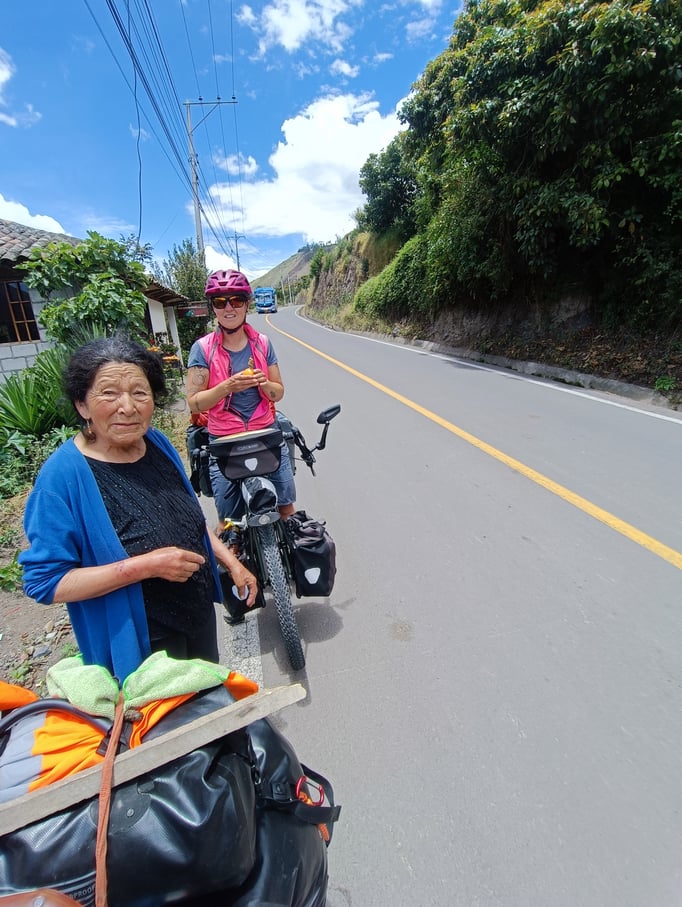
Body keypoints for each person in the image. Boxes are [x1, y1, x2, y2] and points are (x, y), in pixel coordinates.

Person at [18, 335, 258, 682]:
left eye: (139, 393)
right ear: (82, 405)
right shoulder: (63, 477)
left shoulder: (156, 443)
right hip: (145, 648)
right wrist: (145, 566)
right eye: (109, 393)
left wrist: (232, 562)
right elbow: (45, 582)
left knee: (215, 716)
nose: (127, 407)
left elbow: (188, 518)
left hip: (197, 618)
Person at [186, 268, 296, 530]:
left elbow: (278, 392)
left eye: (235, 300)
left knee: (287, 511)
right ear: (213, 308)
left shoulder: (263, 343)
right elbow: (194, 402)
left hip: (265, 433)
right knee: (228, 524)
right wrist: (227, 386)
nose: (228, 308)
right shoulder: (202, 349)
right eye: (220, 302)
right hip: (224, 441)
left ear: (247, 304)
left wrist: (262, 383)